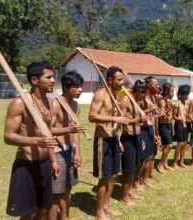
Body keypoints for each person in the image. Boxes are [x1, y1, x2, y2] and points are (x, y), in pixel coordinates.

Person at [4, 61, 59, 219]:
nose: (53, 80)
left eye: (53, 77)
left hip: (45, 163)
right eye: (48, 77)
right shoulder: (19, 103)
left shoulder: (52, 104)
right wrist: (36, 141)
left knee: (44, 209)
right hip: (26, 163)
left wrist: (54, 160)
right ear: (34, 80)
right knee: (29, 212)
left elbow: (48, 134)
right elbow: (8, 136)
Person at [88, 66, 129, 220]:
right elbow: (92, 117)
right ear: (110, 80)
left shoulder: (114, 95)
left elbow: (115, 124)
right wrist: (114, 118)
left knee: (112, 176)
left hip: (112, 139)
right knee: (104, 177)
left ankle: (106, 207)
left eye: (122, 79)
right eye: (119, 79)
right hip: (102, 141)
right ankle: (99, 212)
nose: (122, 82)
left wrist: (117, 140)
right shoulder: (101, 93)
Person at [50, 71, 86, 220]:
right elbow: (47, 130)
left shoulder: (76, 105)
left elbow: (75, 131)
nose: (80, 90)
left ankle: (65, 217)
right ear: (66, 87)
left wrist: (77, 152)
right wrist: (68, 129)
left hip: (70, 150)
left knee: (68, 188)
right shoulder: (55, 104)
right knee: (56, 192)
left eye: (81, 86)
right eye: (76, 87)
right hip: (57, 151)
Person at [119, 80, 148, 207]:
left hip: (137, 136)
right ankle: (124, 197)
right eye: (143, 94)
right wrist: (138, 119)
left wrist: (140, 138)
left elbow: (138, 122)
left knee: (135, 166)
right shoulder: (125, 100)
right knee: (128, 168)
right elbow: (121, 120)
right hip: (128, 137)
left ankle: (129, 192)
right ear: (138, 91)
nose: (144, 97)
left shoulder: (138, 101)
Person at [157, 83, 176, 173]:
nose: (173, 93)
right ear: (166, 91)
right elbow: (161, 115)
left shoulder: (168, 100)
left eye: (173, 91)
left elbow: (171, 115)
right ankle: (160, 164)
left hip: (169, 125)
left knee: (166, 145)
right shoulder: (162, 100)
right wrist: (170, 108)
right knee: (169, 145)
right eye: (171, 91)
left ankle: (165, 163)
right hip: (163, 125)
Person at [172, 84, 190, 169]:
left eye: (187, 94)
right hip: (179, 124)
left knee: (185, 143)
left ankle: (181, 161)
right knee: (180, 144)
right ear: (181, 94)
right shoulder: (177, 103)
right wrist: (178, 118)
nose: (187, 96)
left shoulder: (187, 102)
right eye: (185, 94)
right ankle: (175, 163)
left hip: (186, 124)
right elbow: (173, 116)